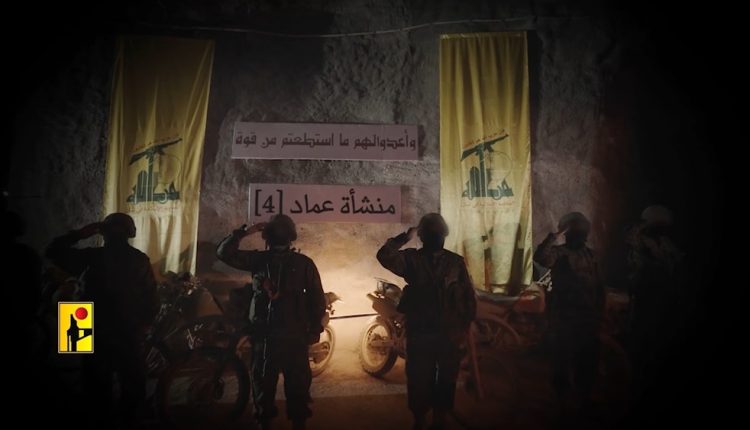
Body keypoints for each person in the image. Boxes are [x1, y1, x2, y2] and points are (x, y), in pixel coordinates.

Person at [45, 212, 158, 428]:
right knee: (132, 387)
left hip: (90, 329)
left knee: (96, 390)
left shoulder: (91, 257)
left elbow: (52, 252)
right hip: (127, 330)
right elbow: (152, 299)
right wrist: (145, 325)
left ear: (103, 233)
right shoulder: (140, 260)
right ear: (130, 233)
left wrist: (79, 234)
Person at [217, 214, 326, 430]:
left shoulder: (258, 260)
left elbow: (223, 252)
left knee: (264, 388)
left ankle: (267, 422)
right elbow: (318, 300)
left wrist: (245, 233)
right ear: (292, 237)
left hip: (268, 338)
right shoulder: (303, 263)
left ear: (266, 237)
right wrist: (315, 330)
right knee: (295, 388)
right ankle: (295, 423)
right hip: (288, 337)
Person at [376, 213, 476, 430]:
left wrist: (464, 326)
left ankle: (439, 418)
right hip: (421, 330)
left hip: (447, 331)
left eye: (438, 234)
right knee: (419, 378)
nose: (436, 238)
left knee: (447, 377)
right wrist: (404, 237)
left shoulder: (455, 262)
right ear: (423, 237)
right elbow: (384, 255)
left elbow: (468, 296)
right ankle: (420, 419)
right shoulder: (412, 259)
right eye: (432, 234)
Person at [534, 212, 604, 417]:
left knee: (587, 362)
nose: (580, 236)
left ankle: (584, 400)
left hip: (587, 318)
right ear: (567, 234)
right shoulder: (558, 253)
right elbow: (540, 258)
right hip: (563, 318)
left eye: (581, 233)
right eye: (575, 232)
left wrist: (600, 312)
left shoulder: (591, 255)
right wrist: (553, 236)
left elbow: (599, 285)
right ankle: (562, 403)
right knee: (562, 362)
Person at [626, 205, 684, 398]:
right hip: (645, 297)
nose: (663, 229)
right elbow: (632, 241)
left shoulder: (665, 243)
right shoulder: (641, 241)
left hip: (663, 298)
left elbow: (677, 262)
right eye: (659, 225)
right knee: (641, 339)